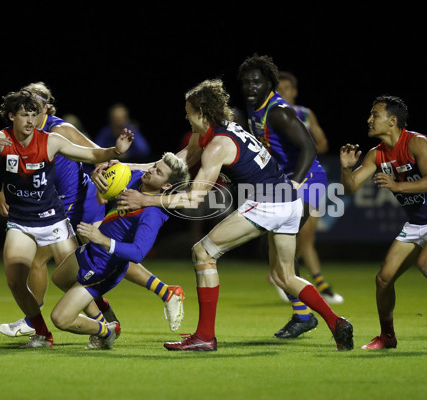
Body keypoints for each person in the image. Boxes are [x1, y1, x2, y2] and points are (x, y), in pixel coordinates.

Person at [115, 79, 353, 351]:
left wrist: (146, 199)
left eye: (188, 111)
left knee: (203, 252)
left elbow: (194, 198)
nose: (185, 115)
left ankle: (205, 336)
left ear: (201, 113)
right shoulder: (219, 130)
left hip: (270, 203)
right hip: (289, 200)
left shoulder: (217, 145)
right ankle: (337, 323)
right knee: (285, 276)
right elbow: (173, 163)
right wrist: (123, 165)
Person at [0, 82, 184, 339]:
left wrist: (104, 169)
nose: (29, 108)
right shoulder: (25, 132)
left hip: (82, 203)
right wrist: (4, 190)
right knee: (86, 266)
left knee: (70, 260)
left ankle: (38, 321)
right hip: (58, 205)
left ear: (46, 107)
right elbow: (21, 168)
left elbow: (101, 155)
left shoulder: (59, 129)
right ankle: (110, 319)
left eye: (35, 104)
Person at [0, 89, 134, 348]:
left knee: (73, 280)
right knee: (15, 281)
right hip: (21, 223)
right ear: (11, 116)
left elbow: (90, 155)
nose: (31, 121)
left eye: (34, 114)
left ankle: (104, 326)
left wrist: (116, 150)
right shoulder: (0, 138)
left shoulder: (50, 141)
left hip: (54, 222)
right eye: (24, 115)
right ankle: (43, 334)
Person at [340, 95, 427, 349]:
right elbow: (351, 188)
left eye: (374, 115)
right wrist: (346, 169)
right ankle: (387, 336)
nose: (369, 119)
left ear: (392, 121)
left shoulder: (417, 142)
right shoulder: (375, 155)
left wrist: (396, 185)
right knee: (383, 279)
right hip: (416, 224)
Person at [236, 54, 340, 342]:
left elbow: (309, 148)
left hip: (308, 182)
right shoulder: (251, 107)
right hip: (283, 183)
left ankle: (308, 315)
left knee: (282, 253)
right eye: (245, 82)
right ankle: (303, 315)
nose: (250, 87)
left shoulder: (279, 112)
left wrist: (295, 183)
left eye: (256, 81)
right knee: (275, 253)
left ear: (270, 83)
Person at [50, 152, 190, 349]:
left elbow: (138, 253)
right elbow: (111, 177)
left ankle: (107, 331)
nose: (150, 170)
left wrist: (102, 239)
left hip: (103, 268)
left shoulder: (152, 214)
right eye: (154, 165)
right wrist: (102, 173)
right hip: (92, 250)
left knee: (60, 319)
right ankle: (105, 323)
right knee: (59, 279)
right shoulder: (135, 180)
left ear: (166, 186)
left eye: (158, 171)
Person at [276, 70, 343, 305]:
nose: (281, 93)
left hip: (310, 178)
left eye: (286, 89)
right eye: (278, 89)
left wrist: (304, 145)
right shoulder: (272, 116)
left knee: (306, 236)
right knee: (293, 234)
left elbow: (323, 143)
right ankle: (301, 280)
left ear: (294, 92)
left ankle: (289, 277)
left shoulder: (304, 114)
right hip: (285, 180)